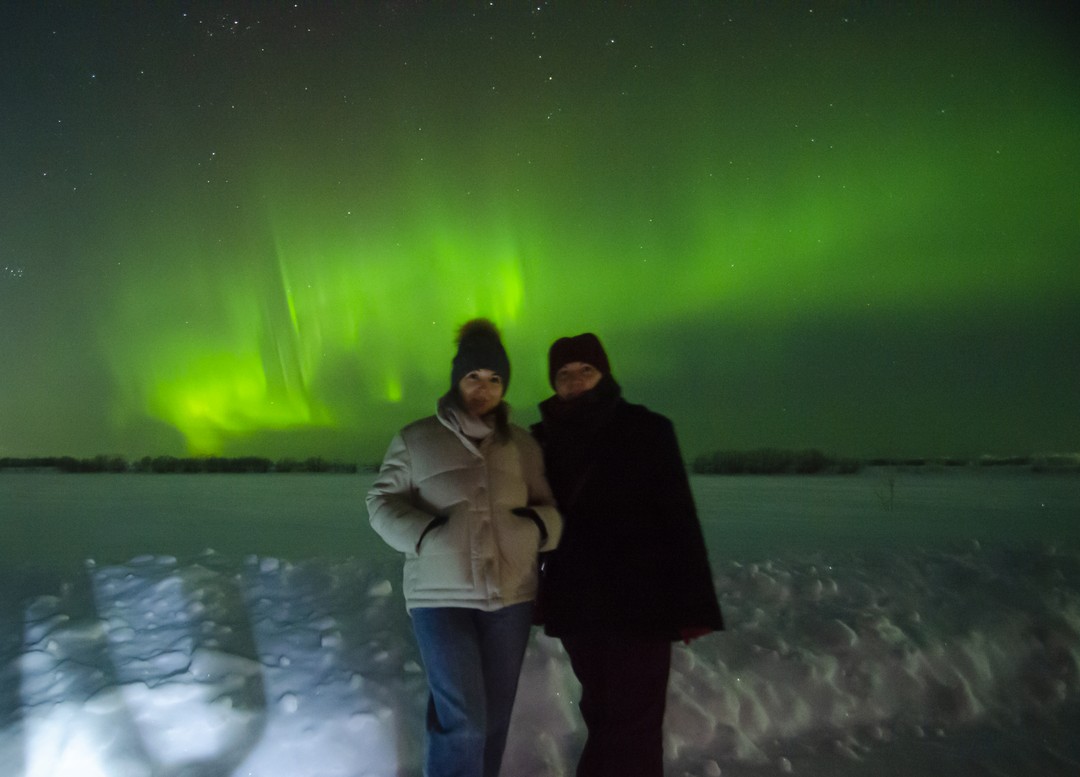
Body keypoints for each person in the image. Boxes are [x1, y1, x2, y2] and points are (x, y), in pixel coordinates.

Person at [367, 318, 562, 777]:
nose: (483, 388)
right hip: (441, 598)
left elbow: (548, 507)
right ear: (457, 379)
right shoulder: (416, 438)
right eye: (473, 376)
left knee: (493, 720)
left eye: (494, 378)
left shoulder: (523, 446)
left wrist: (535, 529)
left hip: (510, 596)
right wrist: (423, 534)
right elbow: (380, 502)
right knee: (464, 722)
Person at [531, 332, 723, 777]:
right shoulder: (538, 441)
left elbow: (679, 519)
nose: (575, 381)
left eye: (586, 370)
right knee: (603, 714)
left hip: (642, 602)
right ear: (553, 382)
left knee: (634, 722)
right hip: (577, 603)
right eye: (564, 374)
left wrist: (694, 606)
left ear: (604, 373)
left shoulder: (647, 429)